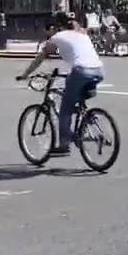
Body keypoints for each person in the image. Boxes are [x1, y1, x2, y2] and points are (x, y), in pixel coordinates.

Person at [16, 11, 104, 156]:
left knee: (65, 110)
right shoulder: (82, 34)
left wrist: (25, 74)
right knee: (76, 98)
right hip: (98, 71)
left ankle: (64, 145)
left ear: (55, 26)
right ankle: (86, 121)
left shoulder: (58, 37)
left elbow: (40, 58)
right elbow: (80, 55)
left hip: (81, 71)